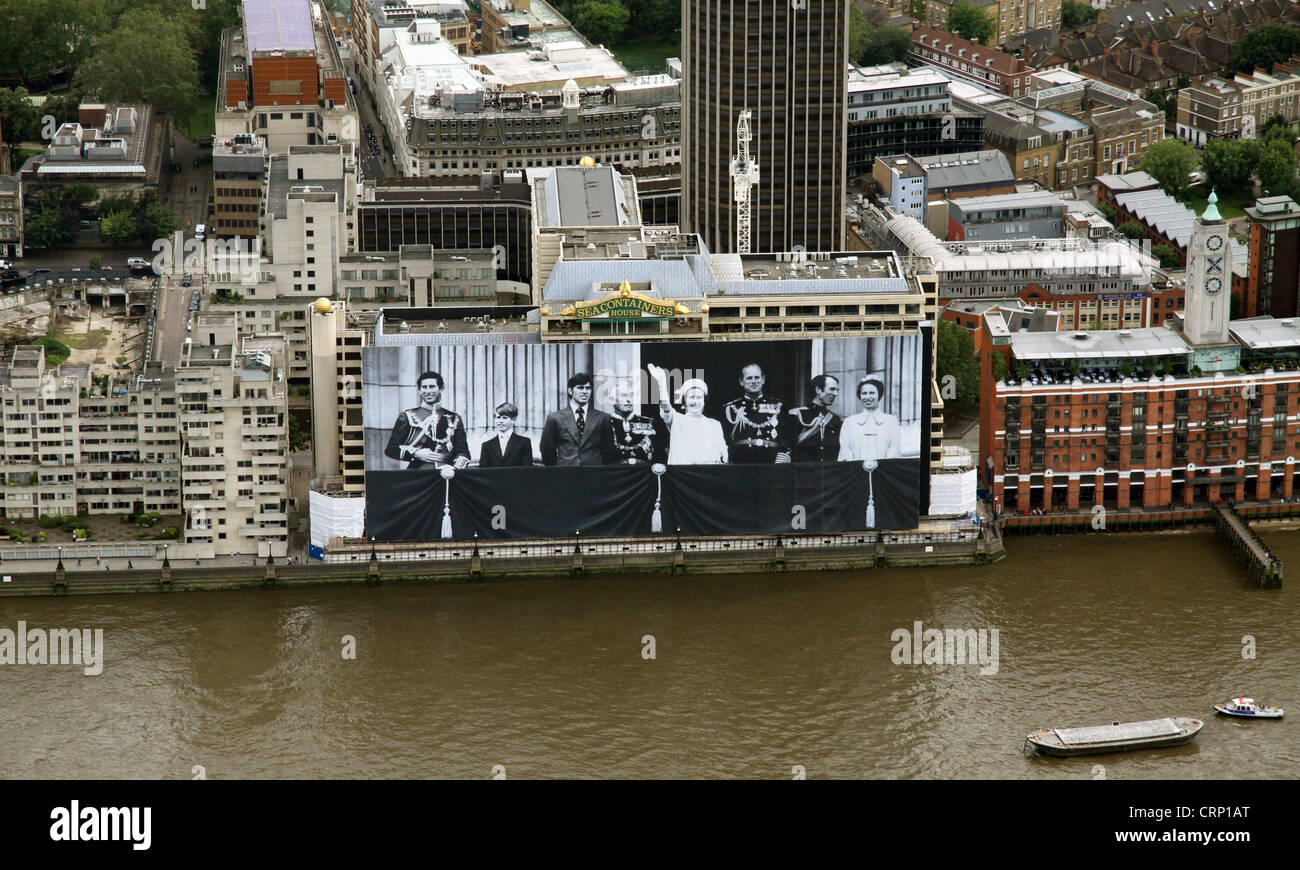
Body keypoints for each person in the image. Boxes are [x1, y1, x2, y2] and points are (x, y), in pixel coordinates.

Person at [383, 370, 470, 469]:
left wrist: (454, 468)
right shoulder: (407, 416)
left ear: (441, 389)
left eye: (432, 387)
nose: (428, 391)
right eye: (424, 387)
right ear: (419, 391)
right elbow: (391, 449)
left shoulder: (454, 418)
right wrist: (415, 453)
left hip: (447, 473)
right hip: (418, 473)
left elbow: (463, 451)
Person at [648, 365, 727, 465]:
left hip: (709, 473)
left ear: (704, 400)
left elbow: (722, 451)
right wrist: (662, 385)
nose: (695, 401)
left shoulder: (715, 424)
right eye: (691, 397)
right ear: (685, 400)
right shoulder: (677, 419)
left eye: (699, 397)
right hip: (683, 475)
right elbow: (666, 407)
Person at [540, 373, 612, 466]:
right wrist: (556, 470)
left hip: (595, 472)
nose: (585, 391)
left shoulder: (603, 418)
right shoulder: (555, 418)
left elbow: (608, 449)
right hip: (565, 473)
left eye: (588, 388)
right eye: (580, 388)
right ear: (570, 391)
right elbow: (547, 449)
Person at [723, 364, 789, 463]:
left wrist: (783, 455)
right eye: (749, 378)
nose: (754, 381)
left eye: (757, 377)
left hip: (772, 463)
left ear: (763, 380)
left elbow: (785, 436)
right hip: (741, 463)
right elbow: (726, 439)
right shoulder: (732, 408)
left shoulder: (777, 406)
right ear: (741, 381)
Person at [838, 376, 902, 462]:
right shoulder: (849, 422)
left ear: (879, 395)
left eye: (872, 393)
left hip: (883, 472)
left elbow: (894, 449)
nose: (868, 397)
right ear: (859, 396)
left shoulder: (891, 421)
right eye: (864, 393)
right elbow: (845, 450)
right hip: (856, 472)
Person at [782, 374, 843, 462]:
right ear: (818, 389)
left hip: (828, 472)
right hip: (803, 472)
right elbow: (787, 448)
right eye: (832, 389)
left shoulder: (835, 419)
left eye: (837, 390)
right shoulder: (797, 415)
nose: (835, 394)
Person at [606, 382, 666, 465]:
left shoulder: (649, 423)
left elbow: (660, 455)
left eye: (631, 395)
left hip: (645, 474)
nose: (628, 399)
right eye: (623, 396)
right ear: (611, 400)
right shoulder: (604, 423)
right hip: (616, 474)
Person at [478, 402, 535, 467]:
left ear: (513, 420)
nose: (500, 421)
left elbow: (527, 469)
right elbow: (483, 471)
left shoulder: (524, 442)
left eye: (504, 418)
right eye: (498, 417)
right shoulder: (486, 445)